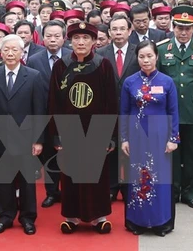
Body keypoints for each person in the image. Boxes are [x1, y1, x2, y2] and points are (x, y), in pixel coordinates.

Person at [48, 22, 117, 234]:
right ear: (70, 40)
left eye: (86, 38)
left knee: (97, 174)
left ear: (94, 41)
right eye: (76, 38)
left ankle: (99, 217)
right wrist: (55, 136)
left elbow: (111, 102)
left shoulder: (103, 65)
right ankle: (72, 217)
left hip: (97, 129)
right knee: (70, 174)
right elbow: (53, 103)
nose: (80, 42)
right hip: (69, 129)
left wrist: (109, 135)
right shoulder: (61, 66)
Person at [0, 34, 46, 235]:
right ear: (0, 53)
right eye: (6, 50)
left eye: (14, 50)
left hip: (26, 138)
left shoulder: (33, 76)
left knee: (27, 181)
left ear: (22, 52)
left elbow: (39, 111)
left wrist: (38, 140)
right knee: (4, 179)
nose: (10, 53)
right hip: (1, 136)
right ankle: (5, 216)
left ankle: (28, 218)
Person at [120, 40, 179, 237]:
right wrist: (124, 138)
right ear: (137, 58)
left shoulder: (167, 81)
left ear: (157, 57)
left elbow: (174, 112)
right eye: (142, 57)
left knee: (160, 178)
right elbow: (125, 112)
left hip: (160, 136)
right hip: (137, 135)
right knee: (138, 177)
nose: (146, 60)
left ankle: (161, 222)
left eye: (150, 56)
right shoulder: (129, 82)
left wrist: (173, 139)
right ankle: (137, 221)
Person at [156, 6, 193, 210]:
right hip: (169, 112)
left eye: (187, 28)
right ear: (173, 27)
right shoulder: (161, 49)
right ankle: (173, 191)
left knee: (190, 154)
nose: (183, 32)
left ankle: (189, 193)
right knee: (171, 154)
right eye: (179, 27)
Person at [26, 20, 71, 208]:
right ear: (42, 38)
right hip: (43, 115)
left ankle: (69, 192)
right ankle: (52, 192)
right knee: (49, 156)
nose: (52, 40)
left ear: (64, 37)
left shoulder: (72, 57)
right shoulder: (34, 59)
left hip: (68, 116)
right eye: (49, 36)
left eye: (57, 36)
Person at [96, 15, 140, 202]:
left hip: (133, 110)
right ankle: (112, 186)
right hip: (108, 109)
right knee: (111, 149)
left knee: (131, 149)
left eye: (122, 29)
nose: (119, 33)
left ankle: (130, 186)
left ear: (129, 31)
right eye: (115, 29)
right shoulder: (100, 54)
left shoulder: (138, 52)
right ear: (109, 32)